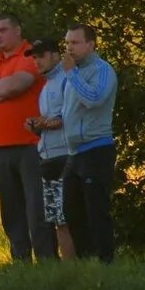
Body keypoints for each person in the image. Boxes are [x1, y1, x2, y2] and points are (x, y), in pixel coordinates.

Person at [0, 12, 55, 262]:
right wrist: (1, 92)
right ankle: (21, 261)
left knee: (36, 207)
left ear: (17, 30)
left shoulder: (29, 55)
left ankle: (47, 261)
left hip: (30, 145)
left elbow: (18, 84)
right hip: (0, 149)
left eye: (2, 30)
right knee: (11, 210)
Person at [60, 23, 118, 264]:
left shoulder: (101, 70)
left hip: (96, 148)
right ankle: (86, 260)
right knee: (71, 209)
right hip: (74, 152)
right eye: (67, 43)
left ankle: (106, 260)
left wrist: (72, 74)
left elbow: (94, 98)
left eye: (75, 43)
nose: (69, 48)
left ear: (91, 44)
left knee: (96, 209)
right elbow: (70, 111)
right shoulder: (71, 73)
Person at [23, 39, 75, 260]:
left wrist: (42, 122)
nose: (37, 61)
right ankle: (69, 269)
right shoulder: (45, 87)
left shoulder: (67, 80)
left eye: (41, 56)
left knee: (69, 218)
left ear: (55, 55)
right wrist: (35, 127)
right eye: (34, 57)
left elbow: (66, 118)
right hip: (48, 156)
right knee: (57, 220)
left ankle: (79, 266)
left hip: (65, 155)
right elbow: (48, 123)